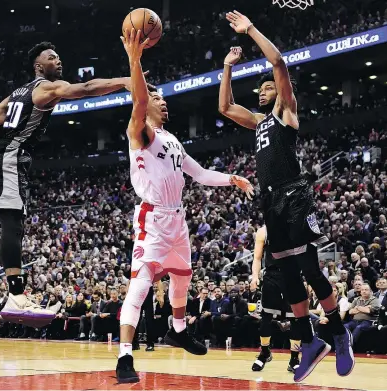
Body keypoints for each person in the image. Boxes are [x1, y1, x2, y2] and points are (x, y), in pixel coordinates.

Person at [0, 41, 134, 329]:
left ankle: (16, 294)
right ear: (39, 66)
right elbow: (85, 89)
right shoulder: (46, 88)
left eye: (59, 56)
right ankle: (15, 295)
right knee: (12, 224)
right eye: (52, 57)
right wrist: (125, 80)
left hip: (5, 157)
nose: (58, 60)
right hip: (10, 157)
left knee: (14, 224)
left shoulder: (17, 93)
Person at [219, 11, 354, 382]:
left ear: (279, 93)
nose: (261, 91)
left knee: (310, 267)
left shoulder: (285, 113)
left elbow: (277, 62)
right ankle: (310, 341)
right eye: (259, 89)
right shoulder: (258, 123)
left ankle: (339, 332)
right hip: (271, 201)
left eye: (266, 88)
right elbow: (226, 108)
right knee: (289, 272)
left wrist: (250, 31)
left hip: (294, 196)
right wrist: (227, 68)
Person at [116, 28, 254, 383]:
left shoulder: (172, 140)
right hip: (153, 217)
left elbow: (201, 173)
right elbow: (140, 99)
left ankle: (177, 329)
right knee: (141, 284)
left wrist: (231, 178)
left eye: (164, 100)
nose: (164, 103)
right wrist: (135, 59)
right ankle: (125, 357)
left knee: (183, 276)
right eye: (158, 99)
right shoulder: (140, 133)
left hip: (178, 219)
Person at [250, 226, 301, 373]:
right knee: (265, 317)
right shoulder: (264, 231)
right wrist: (255, 276)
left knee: (295, 319)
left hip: (292, 276)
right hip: (272, 276)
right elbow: (257, 258)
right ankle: (264, 352)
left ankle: (294, 359)